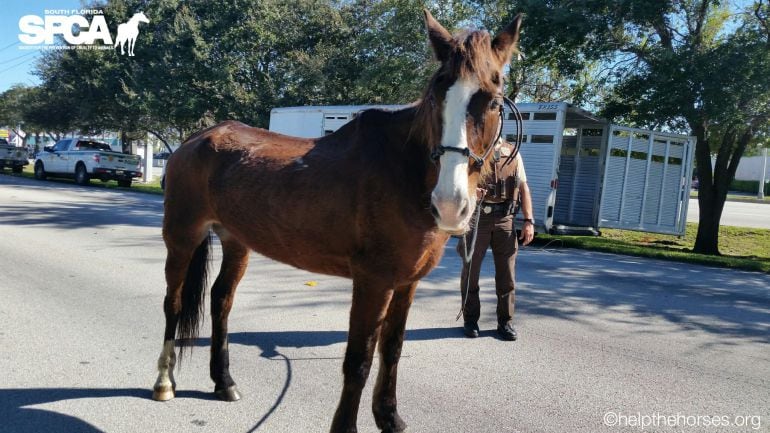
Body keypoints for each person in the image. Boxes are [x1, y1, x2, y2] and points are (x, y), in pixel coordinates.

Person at [457, 139, 534, 340]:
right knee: (470, 272)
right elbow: (457, 184)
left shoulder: (513, 153)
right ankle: (470, 320)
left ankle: (505, 322)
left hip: (505, 219)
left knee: (507, 275)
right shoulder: (472, 152)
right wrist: (471, 191)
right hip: (477, 219)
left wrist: (528, 221)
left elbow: (524, 188)